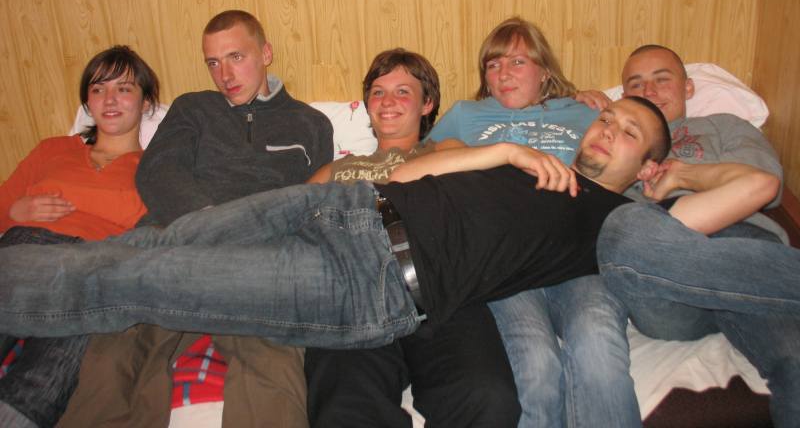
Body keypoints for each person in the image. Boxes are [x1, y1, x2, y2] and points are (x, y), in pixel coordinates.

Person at [1, 97, 794, 359]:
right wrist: (501, 153)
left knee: (136, 281)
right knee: (153, 243)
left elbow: (761, 185)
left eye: (629, 135)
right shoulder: (528, 160)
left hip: (370, 283)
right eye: (609, 117)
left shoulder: (624, 221)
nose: (607, 130)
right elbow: (408, 173)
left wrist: (675, 178)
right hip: (342, 207)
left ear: (646, 163)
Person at [58, 10, 333, 428]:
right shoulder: (192, 108)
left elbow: (312, 202)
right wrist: (210, 222)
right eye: (213, 63)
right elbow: (157, 171)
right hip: (173, 238)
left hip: (256, 256)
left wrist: (253, 236)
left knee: (271, 357)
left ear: (266, 53)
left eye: (236, 57)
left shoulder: (311, 124)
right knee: (117, 348)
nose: (225, 75)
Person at [427, 17, 638, 427]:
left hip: (577, 254)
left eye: (518, 62)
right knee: (536, 363)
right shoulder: (466, 114)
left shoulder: (585, 112)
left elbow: (630, 150)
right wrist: (452, 149)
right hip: (506, 261)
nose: (503, 74)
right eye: (493, 65)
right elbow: (427, 160)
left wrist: (591, 101)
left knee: (598, 342)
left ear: (544, 71)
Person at [304, 48, 521, 427]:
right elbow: (292, 222)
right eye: (378, 92)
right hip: (356, 299)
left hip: (442, 294)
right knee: (345, 410)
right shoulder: (335, 171)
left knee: (489, 399)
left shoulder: (447, 151)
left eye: (403, 91)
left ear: (427, 104)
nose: (387, 101)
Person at [597, 44, 800, 427]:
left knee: (796, 363)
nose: (649, 91)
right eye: (636, 84)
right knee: (623, 229)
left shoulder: (724, 126)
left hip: (746, 252)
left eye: (662, 80)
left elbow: (764, 184)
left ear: (688, 87)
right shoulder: (616, 141)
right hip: (662, 278)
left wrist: (683, 174)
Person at [0, 45, 160, 428]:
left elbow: (154, 242)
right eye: (98, 89)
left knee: (49, 369)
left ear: (146, 102)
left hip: (92, 267)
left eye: (124, 89)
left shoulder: (156, 171)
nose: (109, 99)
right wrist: (14, 212)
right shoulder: (53, 149)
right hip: (26, 248)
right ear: (87, 102)